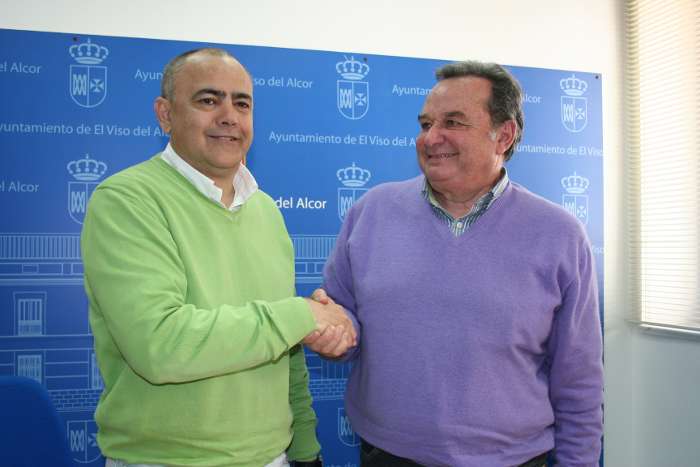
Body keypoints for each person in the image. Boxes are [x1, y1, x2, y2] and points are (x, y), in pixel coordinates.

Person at [309, 61, 603, 466]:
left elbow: (579, 379)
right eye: (425, 124)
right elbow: (344, 320)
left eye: (453, 122)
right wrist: (334, 333)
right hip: (387, 454)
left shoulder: (560, 234)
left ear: (503, 135)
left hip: (511, 459)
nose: (431, 138)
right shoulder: (371, 211)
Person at [81, 48, 355, 467]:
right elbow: (160, 346)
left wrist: (304, 448)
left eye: (241, 104)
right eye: (208, 100)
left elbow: (285, 349)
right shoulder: (126, 200)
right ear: (165, 114)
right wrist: (302, 315)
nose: (229, 116)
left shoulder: (266, 211)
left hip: (273, 457)